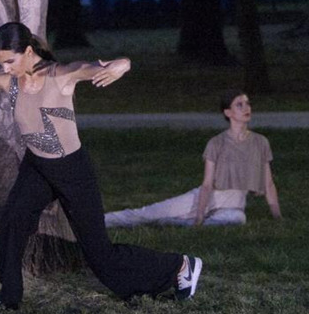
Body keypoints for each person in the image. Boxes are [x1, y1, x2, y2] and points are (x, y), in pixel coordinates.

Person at [0, 22, 202, 307]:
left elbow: (91, 67)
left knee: (100, 256)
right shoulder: (9, 82)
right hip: (37, 167)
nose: (5, 68)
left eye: (10, 61)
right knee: (11, 227)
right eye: (0, 62)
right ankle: (9, 300)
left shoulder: (58, 76)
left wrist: (122, 64)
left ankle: (179, 266)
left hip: (72, 171)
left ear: (27, 51)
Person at [104, 89, 282, 228]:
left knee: (237, 219)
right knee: (146, 214)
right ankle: (101, 221)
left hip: (232, 208)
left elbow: (268, 184)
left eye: (247, 103)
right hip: (203, 200)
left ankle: (177, 223)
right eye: (239, 105)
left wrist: (277, 216)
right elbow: (207, 184)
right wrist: (199, 215)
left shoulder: (259, 142)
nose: (246, 108)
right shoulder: (217, 143)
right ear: (228, 112)